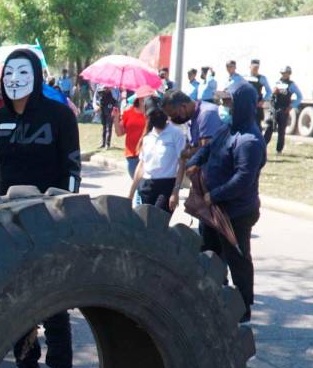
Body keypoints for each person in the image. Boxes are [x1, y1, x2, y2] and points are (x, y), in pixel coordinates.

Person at [0, 47, 81, 368]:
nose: (14, 80)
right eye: (9, 73)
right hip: (7, 225)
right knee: (15, 302)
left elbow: (71, 169)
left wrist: (64, 212)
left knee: (54, 304)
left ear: (36, 75)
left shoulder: (59, 117)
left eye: (22, 73)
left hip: (50, 223)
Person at [185, 101, 264, 323]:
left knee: (238, 259)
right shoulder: (225, 130)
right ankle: (215, 298)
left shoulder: (250, 141)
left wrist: (215, 194)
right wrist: (193, 162)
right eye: (223, 103)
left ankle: (243, 308)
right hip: (214, 210)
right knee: (209, 253)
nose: (223, 109)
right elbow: (207, 150)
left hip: (236, 212)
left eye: (229, 105)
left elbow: (242, 179)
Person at [128, 97, 186, 213]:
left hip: (166, 185)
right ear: (148, 117)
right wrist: (131, 194)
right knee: (146, 225)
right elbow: (141, 165)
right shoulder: (147, 137)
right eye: (154, 114)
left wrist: (176, 191)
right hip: (146, 186)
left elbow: (182, 163)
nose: (158, 116)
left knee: (158, 223)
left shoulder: (176, 134)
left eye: (160, 112)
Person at [265, 66, 303, 154]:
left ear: (289, 74)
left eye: (286, 73)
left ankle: (279, 150)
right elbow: (271, 96)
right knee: (269, 128)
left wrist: (291, 106)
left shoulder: (291, 84)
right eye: (283, 73)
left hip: (284, 110)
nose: (284, 75)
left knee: (281, 131)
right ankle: (263, 147)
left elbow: (299, 97)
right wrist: (273, 93)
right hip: (274, 109)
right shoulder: (277, 82)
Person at [114, 94, 147, 180]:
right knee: (137, 183)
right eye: (146, 98)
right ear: (140, 99)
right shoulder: (128, 112)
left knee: (144, 186)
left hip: (147, 155)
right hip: (132, 155)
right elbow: (119, 133)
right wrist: (116, 118)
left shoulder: (151, 114)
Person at [245, 59, 271, 124]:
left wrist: (262, 101)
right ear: (250, 66)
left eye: (257, 67)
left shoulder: (262, 78)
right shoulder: (245, 77)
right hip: (246, 104)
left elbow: (269, 92)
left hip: (256, 104)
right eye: (254, 67)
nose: (255, 68)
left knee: (256, 125)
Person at [95, 84, 118, 149]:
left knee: (108, 127)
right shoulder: (101, 91)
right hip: (103, 111)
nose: (106, 88)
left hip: (110, 111)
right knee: (104, 128)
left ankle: (107, 144)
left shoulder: (113, 91)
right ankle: (103, 143)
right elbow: (98, 99)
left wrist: (111, 89)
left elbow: (116, 99)